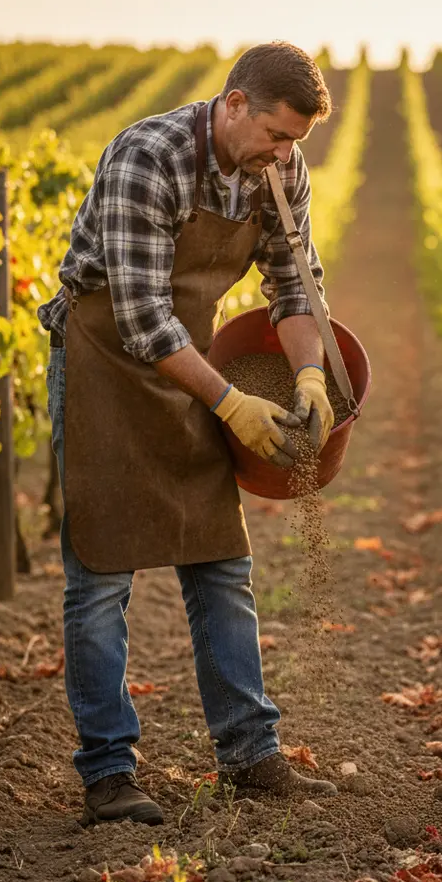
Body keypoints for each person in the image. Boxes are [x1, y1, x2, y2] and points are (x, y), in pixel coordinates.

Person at [37, 42, 339, 827]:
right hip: (106, 357)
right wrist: (233, 404)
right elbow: (140, 319)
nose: (285, 153)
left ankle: (250, 753)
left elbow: (295, 283)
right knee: (101, 571)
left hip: (193, 357)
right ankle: (107, 773)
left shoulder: (282, 169)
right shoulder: (150, 155)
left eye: (296, 143)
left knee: (221, 561)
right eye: (276, 134)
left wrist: (309, 374)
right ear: (234, 103)